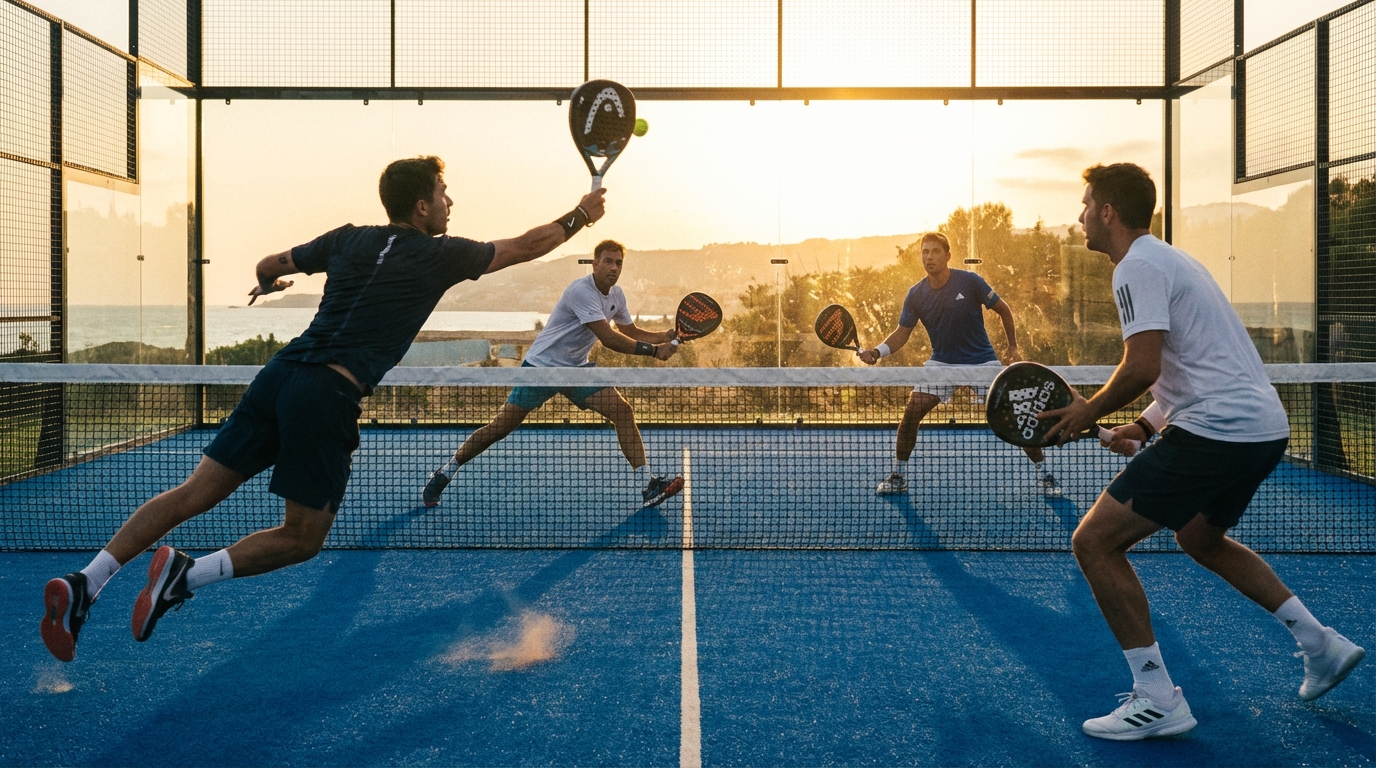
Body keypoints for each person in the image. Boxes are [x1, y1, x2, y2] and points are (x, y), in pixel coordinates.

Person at [39, 156, 607, 662]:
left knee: (193, 492)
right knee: (303, 537)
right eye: (443, 192)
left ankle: (86, 583)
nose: (450, 201)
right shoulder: (441, 256)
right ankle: (186, 575)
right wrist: (580, 215)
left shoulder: (347, 239)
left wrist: (271, 280)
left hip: (279, 376)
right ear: (421, 205)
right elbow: (527, 246)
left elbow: (268, 262)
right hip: (327, 394)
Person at [1042, 162, 1365, 741]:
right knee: (1198, 536)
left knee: (1093, 541)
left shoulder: (1134, 266)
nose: (1081, 214)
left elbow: (1142, 365)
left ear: (1109, 211)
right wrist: (1140, 428)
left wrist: (1088, 411)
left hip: (1218, 430)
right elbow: (1186, 368)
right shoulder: (1171, 258)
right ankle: (1321, 643)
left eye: (1086, 203)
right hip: (1262, 426)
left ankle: (1157, 697)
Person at [422, 239, 684, 510]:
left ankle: (647, 484)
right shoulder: (581, 291)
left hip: (576, 370)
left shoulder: (616, 295)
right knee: (500, 428)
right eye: (607, 261)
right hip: (542, 368)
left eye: (618, 263)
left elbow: (630, 331)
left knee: (622, 412)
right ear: (594, 264)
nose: (613, 267)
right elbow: (608, 338)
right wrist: (654, 352)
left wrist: (665, 336)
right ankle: (446, 471)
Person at [857, 232, 1053, 495]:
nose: (929, 257)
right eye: (925, 252)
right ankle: (899, 476)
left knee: (1015, 419)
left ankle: (1044, 474)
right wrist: (877, 352)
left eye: (935, 251)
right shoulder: (916, 294)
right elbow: (902, 332)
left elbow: (1003, 309)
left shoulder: (970, 281)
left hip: (982, 363)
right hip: (941, 364)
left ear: (947, 255)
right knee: (911, 414)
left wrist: (1013, 346)